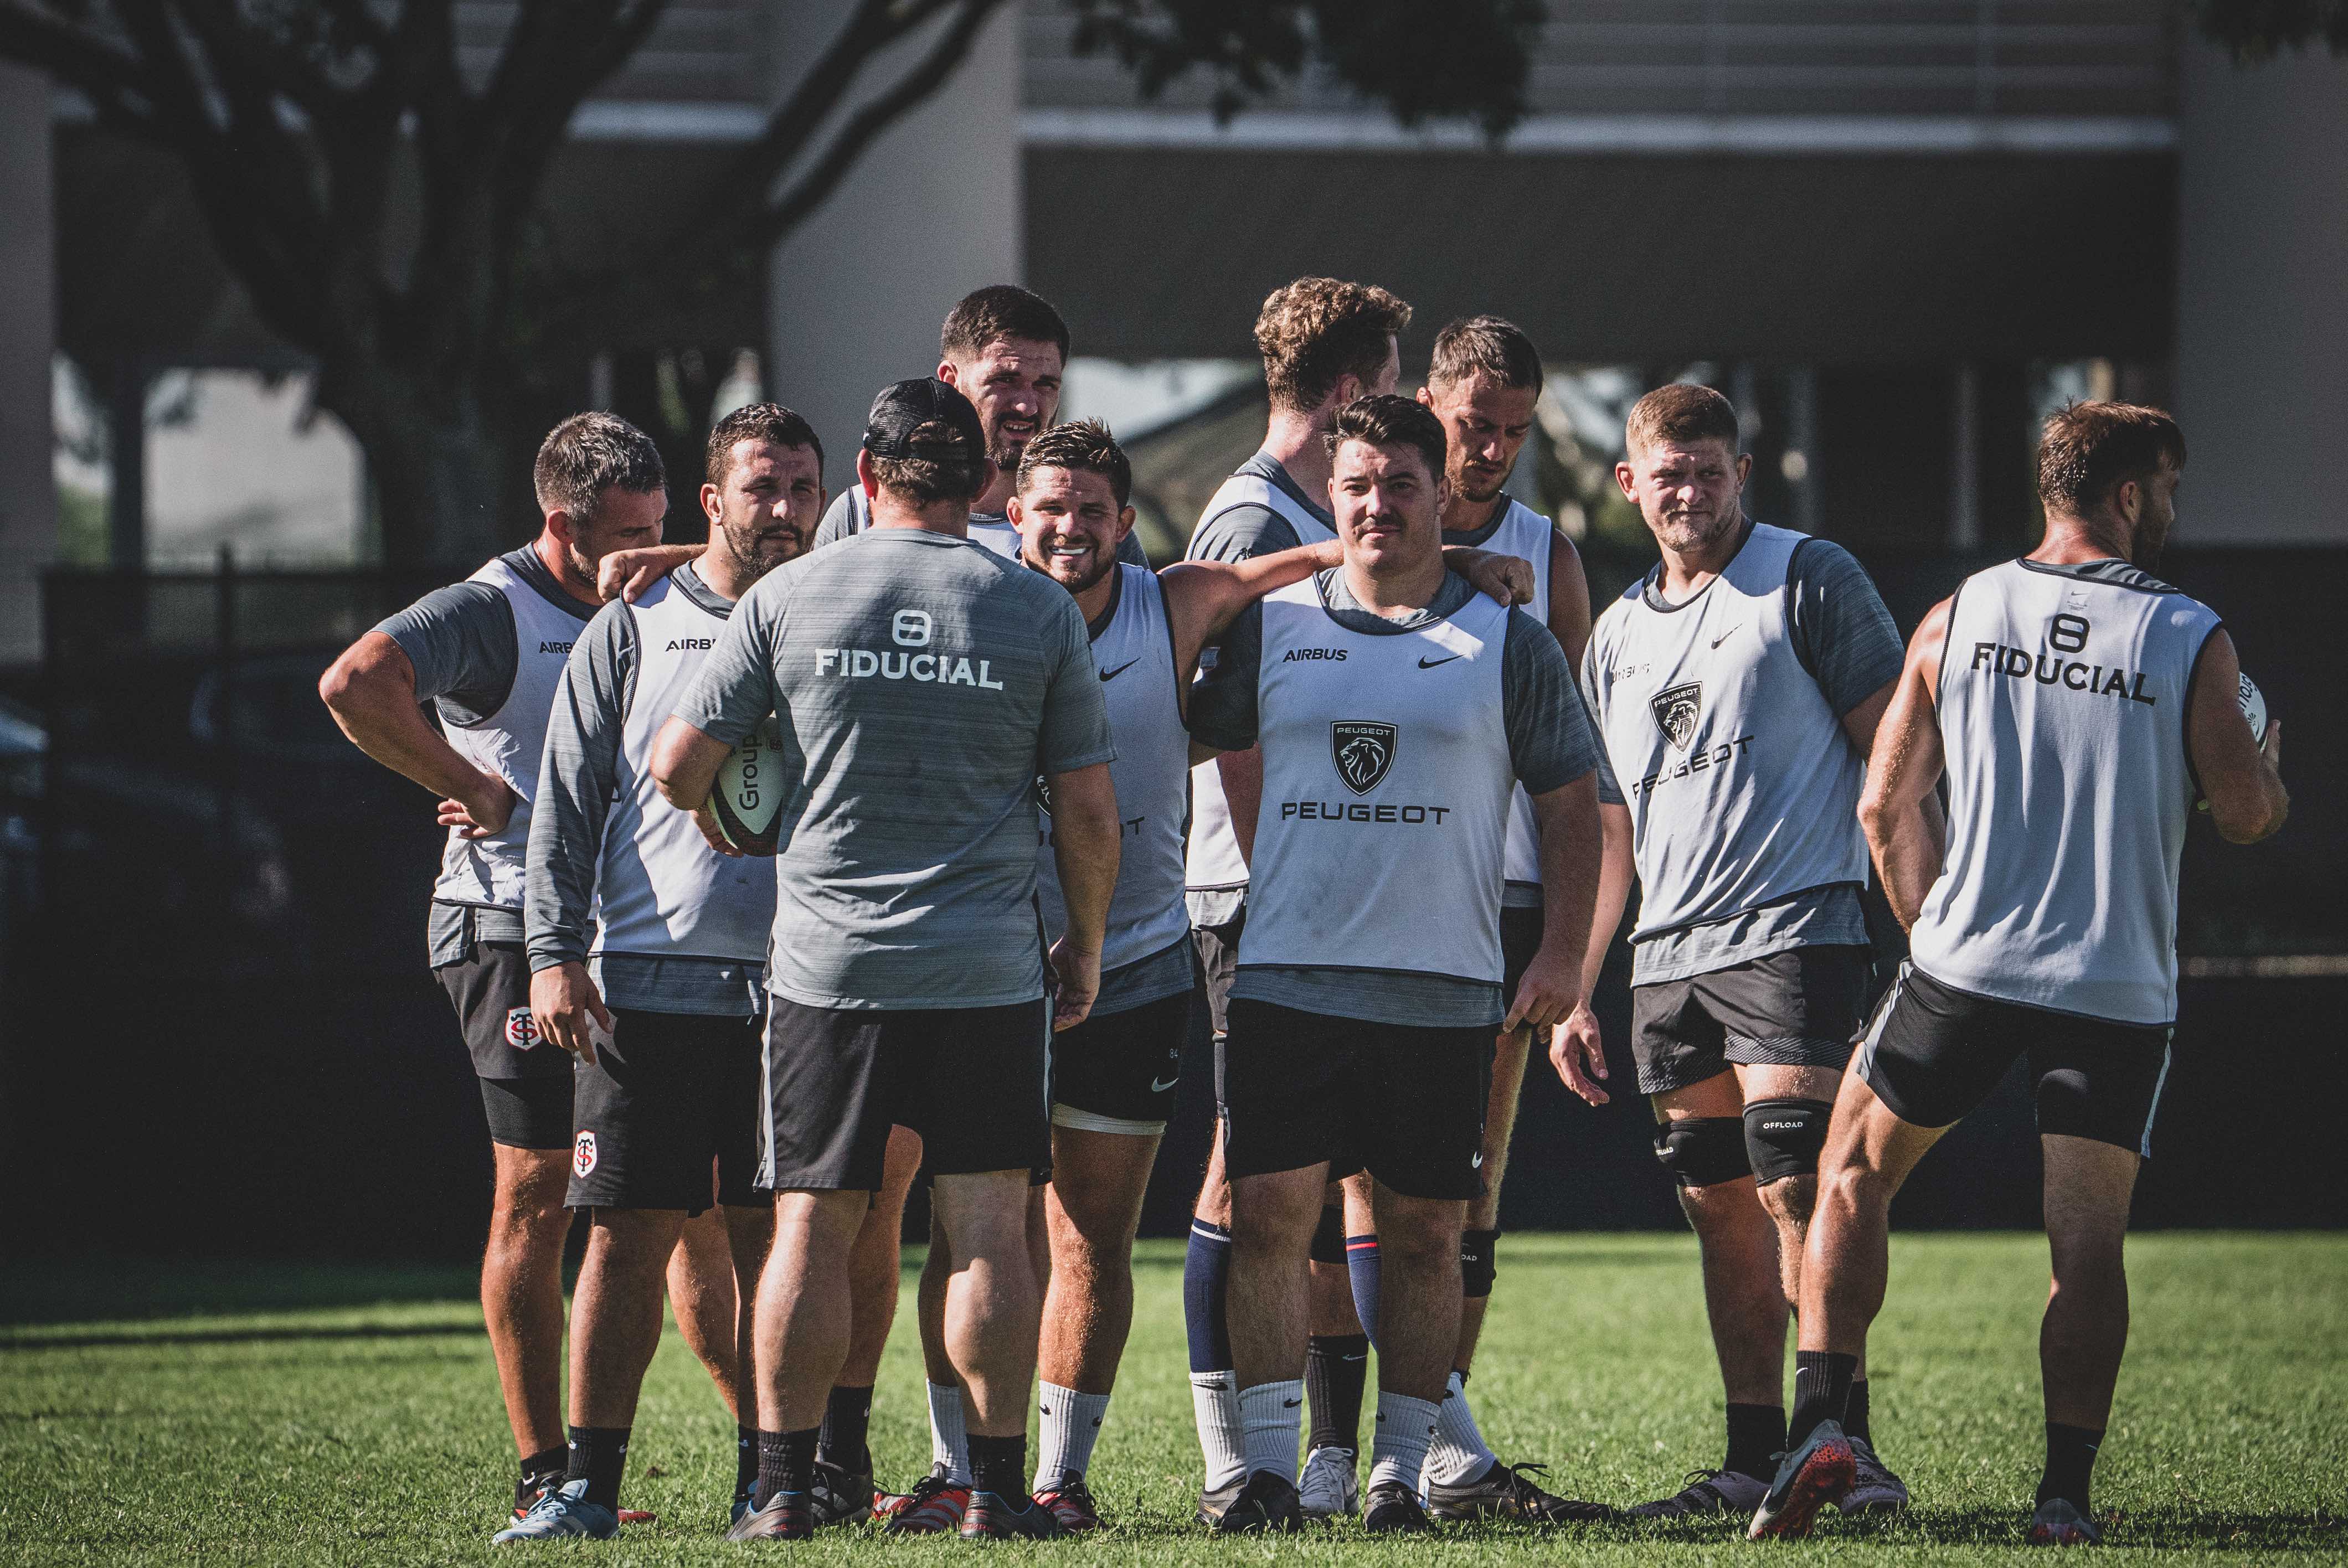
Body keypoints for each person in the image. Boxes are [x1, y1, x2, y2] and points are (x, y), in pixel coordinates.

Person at [1752, 403, 2288, 1544]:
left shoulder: (1961, 611)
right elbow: (2244, 817)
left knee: (1847, 1172)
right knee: (2083, 1242)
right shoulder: (2189, 633)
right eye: (2168, 494)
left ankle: (1821, 1429)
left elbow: (1880, 803)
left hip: (1966, 963)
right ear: (2131, 496)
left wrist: (1932, 932)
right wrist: (2269, 770)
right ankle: (2060, 1503)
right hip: (2115, 984)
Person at [1005, 420, 1536, 1530]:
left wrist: (1453, 566)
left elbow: (1275, 569)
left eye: (1092, 509)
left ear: (1125, 523)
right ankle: (945, 1470)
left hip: (1143, 951)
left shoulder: (1175, 600)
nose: (1068, 528)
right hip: (980, 956)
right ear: (1012, 515)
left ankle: (1095, 1477)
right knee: (963, 1219)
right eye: (1048, 508)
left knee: (1102, 1232)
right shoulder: (969, 594)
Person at [651, 378, 1121, 1543]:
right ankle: (996, 1488)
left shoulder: (791, 595)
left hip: (829, 972)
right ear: (985, 486)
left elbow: (673, 766)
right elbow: (1089, 815)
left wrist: (737, 826)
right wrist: (1087, 945)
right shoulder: (1036, 609)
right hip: (984, 971)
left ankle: (779, 1491)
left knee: (811, 1228)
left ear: (863, 479)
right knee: (986, 1229)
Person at [1194, 395, 1603, 1534]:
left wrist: (1564, 951)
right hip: (1287, 977)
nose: (1379, 504)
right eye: (1358, 485)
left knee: (1428, 1234)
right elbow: (1209, 735)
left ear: (1439, 494)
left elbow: (1571, 804)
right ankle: (1268, 1476)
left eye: (1401, 485)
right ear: (1332, 497)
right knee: (1273, 1219)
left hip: (1442, 988)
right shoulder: (1271, 626)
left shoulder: (1504, 639)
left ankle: (1399, 1474)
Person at [320, 413, 720, 1524]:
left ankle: (780, 1462)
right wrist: (474, 787)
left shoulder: (659, 596)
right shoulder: (493, 609)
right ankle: (549, 1467)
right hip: (504, 935)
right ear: (559, 525)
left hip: (630, 941)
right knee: (540, 1194)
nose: (646, 553)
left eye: (664, 528)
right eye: (623, 536)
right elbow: (356, 682)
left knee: (684, 1203)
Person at [1570, 383, 1914, 1519]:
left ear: (1740, 472)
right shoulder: (1614, 634)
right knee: (1716, 1205)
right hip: (1664, 959)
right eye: (1667, 474)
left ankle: (1845, 1450)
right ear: (1629, 484)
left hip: (1792, 930)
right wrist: (1578, 985)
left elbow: (1894, 753)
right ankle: (1752, 1456)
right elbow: (1611, 830)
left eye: (1707, 470)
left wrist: (1927, 905)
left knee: (1792, 1185)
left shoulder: (1806, 576)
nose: (1688, 492)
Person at [492, 405, 823, 1541]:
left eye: (799, 489)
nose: (781, 510)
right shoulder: (632, 628)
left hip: (805, 990)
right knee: (624, 1232)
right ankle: (583, 1487)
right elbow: (566, 812)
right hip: (646, 978)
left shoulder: (838, 622)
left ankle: (771, 1481)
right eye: (760, 488)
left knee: (779, 1240)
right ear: (710, 501)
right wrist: (549, 957)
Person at [1327, 315, 1606, 1524]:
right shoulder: (1359, 520)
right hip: (1375, 883)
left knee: (1465, 1185)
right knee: (1352, 1180)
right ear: (1427, 406)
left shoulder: (1548, 553)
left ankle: (1437, 1433)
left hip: (1500, 899)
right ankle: (1358, 1450)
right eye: (1469, 424)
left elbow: (1580, 776)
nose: (1486, 449)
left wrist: (1575, 956)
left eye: (1508, 430)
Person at [1178, 276, 1413, 1524]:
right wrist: (1285, 885)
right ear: (1343, 394)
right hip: (1253, 894)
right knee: (1244, 1177)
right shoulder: (1246, 515)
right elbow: (1231, 727)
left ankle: (1333, 1451)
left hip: (1302, 890)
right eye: (1390, 382)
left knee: (1312, 1177)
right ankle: (1236, 1452)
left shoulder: (1302, 505)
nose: (1405, 404)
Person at [813, 283, 1147, 568]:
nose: (1027, 406)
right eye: (1005, 380)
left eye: (1046, 385)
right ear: (950, 381)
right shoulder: (861, 514)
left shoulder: (1092, 525)